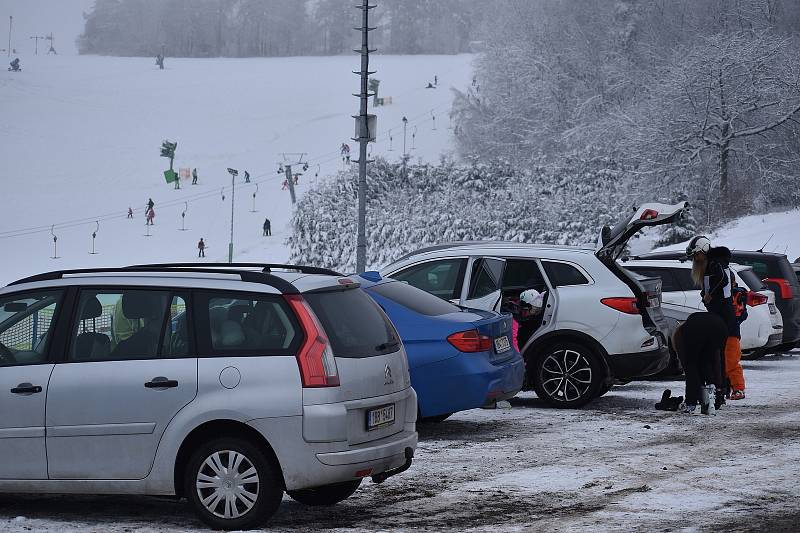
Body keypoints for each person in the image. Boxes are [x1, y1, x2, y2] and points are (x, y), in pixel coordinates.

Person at [687, 236, 746, 400]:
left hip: (727, 320)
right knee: (718, 356)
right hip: (717, 318)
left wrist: (709, 295)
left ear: (703, 251)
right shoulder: (711, 266)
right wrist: (705, 294)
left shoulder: (716, 265)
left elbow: (722, 280)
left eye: (696, 255)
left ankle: (738, 388)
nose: (694, 259)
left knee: (730, 357)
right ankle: (724, 388)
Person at [671, 312, 728, 414]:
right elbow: (719, 361)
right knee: (710, 362)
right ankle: (713, 397)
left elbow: (689, 366)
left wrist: (693, 393)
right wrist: (721, 388)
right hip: (720, 326)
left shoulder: (681, 337)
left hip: (698, 327)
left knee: (691, 365)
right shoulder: (686, 329)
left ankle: (692, 403)